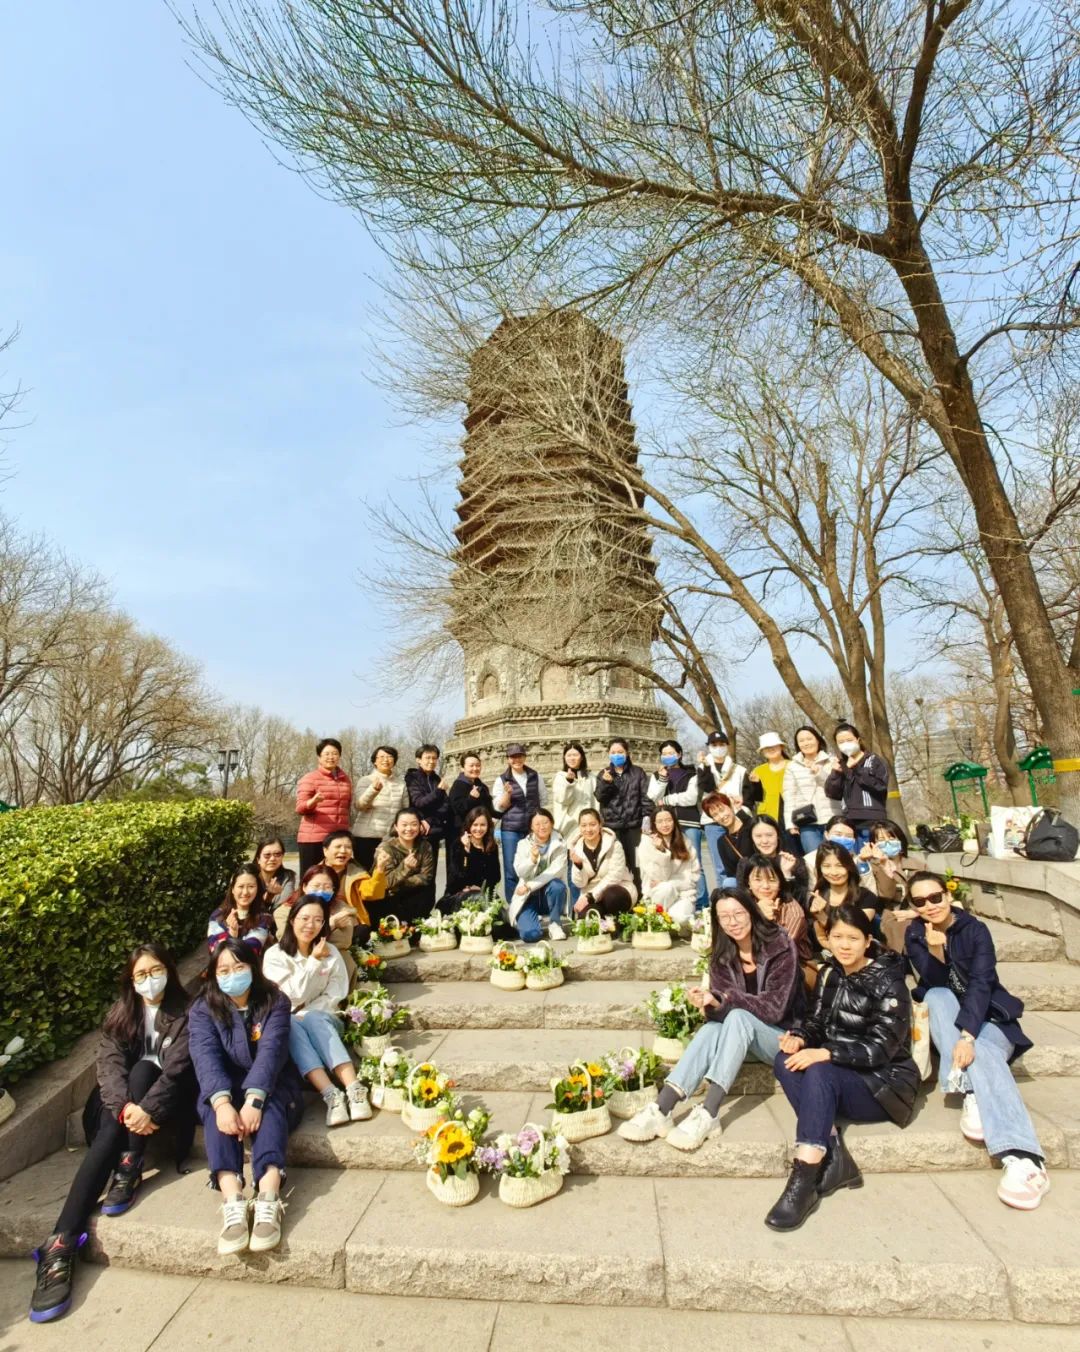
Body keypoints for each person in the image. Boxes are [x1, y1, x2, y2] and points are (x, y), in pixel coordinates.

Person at [28, 944, 196, 1324]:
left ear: (169, 971)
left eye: (156, 971)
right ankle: (60, 1243)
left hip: (166, 1104)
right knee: (115, 1115)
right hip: (118, 1107)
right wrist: (125, 1109)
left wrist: (148, 1109)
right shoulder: (121, 1014)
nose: (149, 980)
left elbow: (179, 1070)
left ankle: (124, 1169)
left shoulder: (189, 1012)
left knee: (144, 1071)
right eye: (141, 975)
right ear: (130, 981)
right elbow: (109, 1067)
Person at [765, 904, 919, 1230]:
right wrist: (799, 1037)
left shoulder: (890, 983)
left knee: (819, 1068)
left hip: (883, 1084)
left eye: (853, 938)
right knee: (785, 1061)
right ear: (828, 939)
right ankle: (834, 1151)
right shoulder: (829, 973)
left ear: (867, 941)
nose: (844, 945)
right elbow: (816, 1022)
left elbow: (881, 1049)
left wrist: (826, 1053)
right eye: (837, 937)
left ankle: (804, 1177)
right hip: (841, 1074)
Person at [905, 872, 1050, 1210]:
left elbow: (981, 985)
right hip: (950, 1019)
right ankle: (969, 1087)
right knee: (936, 995)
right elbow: (936, 981)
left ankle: (1025, 1157)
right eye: (920, 901)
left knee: (982, 1049)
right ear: (913, 905)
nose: (930, 905)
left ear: (947, 895)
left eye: (935, 897)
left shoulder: (975, 930)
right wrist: (936, 949)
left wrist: (967, 1036)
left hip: (990, 1020)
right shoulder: (915, 934)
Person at [619, 888, 802, 1151]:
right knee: (711, 1029)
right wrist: (711, 1002)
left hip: (781, 1039)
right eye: (724, 916)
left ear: (752, 912)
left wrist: (725, 999)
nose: (733, 922)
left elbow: (775, 1008)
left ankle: (709, 1112)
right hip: (738, 1040)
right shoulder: (722, 954)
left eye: (739, 913)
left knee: (738, 1016)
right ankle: (662, 1108)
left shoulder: (780, 946)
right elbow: (720, 1011)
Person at [189, 940, 305, 1256]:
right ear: (214, 974)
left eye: (239, 967)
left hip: (273, 1082)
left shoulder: (274, 1001)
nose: (232, 975)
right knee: (215, 1114)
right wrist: (222, 1103)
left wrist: (254, 1099)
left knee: (270, 1106)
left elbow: (272, 1051)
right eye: (224, 970)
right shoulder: (202, 1008)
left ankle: (268, 1196)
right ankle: (233, 1200)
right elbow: (205, 1055)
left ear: (253, 967)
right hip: (225, 1084)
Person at [263, 896, 372, 1126]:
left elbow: (336, 993)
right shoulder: (275, 955)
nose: (310, 925)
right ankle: (332, 1095)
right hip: (293, 1023)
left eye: (317, 920)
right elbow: (291, 995)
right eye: (304, 918)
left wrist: (307, 1012)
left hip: (327, 1020)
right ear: (292, 920)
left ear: (324, 924)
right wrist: (312, 962)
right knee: (290, 1023)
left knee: (311, 1017)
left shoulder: (331, 952)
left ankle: (354, 1089)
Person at [743, 854, 817, 989]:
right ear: (748, 882)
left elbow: (780, 950)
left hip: (794, 966)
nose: (765, 886)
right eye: (758, 879)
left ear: (780, 883)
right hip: (754, 962)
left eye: (772, 880)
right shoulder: (743, 904)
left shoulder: (793, 911)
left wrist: (763, 919)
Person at [648, 740, 706, 911]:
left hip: (688, 821)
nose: (668, 756)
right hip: (665, 824)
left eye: (671, 753)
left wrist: (666, 799)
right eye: (664, 754)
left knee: (695, 864)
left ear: (679, 754)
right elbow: (653, 796)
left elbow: (691, 798)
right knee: (668, 862)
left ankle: (702, 904)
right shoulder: (657, 775)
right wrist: (662, 780)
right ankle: (675, 901)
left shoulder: (691, 773)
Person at [492, 742, 546, 899]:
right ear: (508, 759)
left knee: (535, 864)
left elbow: (543, 799)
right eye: (513, 757)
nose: (517, 760)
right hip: (511, 829)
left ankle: (533, 903)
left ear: (524, 757)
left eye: (520, 756)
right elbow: (499, 807)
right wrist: (507, 794)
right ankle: (513, 904)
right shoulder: (502, 780)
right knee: (511, 869)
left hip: (532, 829)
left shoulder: (535, 776)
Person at [594, 738, 650, 889]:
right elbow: (600, 797)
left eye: (620, 752)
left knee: (638, 864)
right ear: (608, 754)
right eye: (613, 752)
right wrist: (606, 783)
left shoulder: (638, 772)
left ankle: (641, 896)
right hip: (613, 827)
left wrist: (647, 817)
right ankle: (620, 897)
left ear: (627, 753)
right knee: (617, 865)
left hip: (634, 826)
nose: (617, 755)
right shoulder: (604, 773)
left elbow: (646, 797)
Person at [295, 737, 353, 877]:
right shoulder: (310, 778)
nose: (331, 757)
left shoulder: (345, 780)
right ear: (319, 757)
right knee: (311, 878)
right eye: (327, 754)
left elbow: (347, 807)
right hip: (314, 838)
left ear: (339, 756)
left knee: (335, 878)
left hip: (337, 839)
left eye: (335, 753)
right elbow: (300, 808)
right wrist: (313, 802)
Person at [637, 805, 702, 928]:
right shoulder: (646, 842)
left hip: (683, 895)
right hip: (659, 895)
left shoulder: (685, 841)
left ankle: (666, 922)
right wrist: (661, 851)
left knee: (678, 918)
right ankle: (654, 921)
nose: (665, 825)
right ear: (654, 824)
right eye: (660, 821)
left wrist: (671, 883)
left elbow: (692, 878)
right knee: (665, 889)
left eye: (668, 820)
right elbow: (657, 877)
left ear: (674, 821)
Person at [510, 808, 570, 941]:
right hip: (528, 897)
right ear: (531, 827)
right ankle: (531, 920)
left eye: (545, 822)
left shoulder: (560, 844)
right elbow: (520, 872)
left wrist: (529, 886)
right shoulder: (523, 844)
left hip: (547, 894)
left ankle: (555, 923)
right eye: (537, 824)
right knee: (531, 935)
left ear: (552, 823)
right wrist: (532, 860)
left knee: (557, 885)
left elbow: (554, 872)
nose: (542, 827)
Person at [823, 722, 890, 840]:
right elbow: (832, 793)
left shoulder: (874, 760)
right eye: (841, 742)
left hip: (872, 818)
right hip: (849, 820)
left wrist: (857, 769)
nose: (846, 744)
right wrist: (836, 773)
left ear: (858, 740)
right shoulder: (841, 764)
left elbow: (880, 786)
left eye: (849, 740)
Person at [566, 808, 637, 917]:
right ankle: (605, 922)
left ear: (600, 824)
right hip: (592, 894)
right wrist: (578, 865)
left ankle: (619, 921)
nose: (588, 829)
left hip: (618, 888)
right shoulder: (576, 848)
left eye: (592, 824)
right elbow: (580, 884)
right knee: (587, 916)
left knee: (613, 897)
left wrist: (591, 896)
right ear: (579, 827)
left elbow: (615, 876)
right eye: (584, 825)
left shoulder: (614, 844)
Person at [808, 841, 880, 949]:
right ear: (820, 869)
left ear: (849, 866)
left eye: (840, 865)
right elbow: (821, 937)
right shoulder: (816, 899)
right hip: (828, 952)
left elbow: (852, 931)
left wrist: (822, 916)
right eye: (826, 866)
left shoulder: (866, 897)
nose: (834, 872)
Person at [782, 726, 841, 857]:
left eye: (809, 739)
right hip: (807, 821)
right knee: (813, 858)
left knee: (837, 857)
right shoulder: (792, 766)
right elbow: (789, 795)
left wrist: (819, 772)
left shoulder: (832, 761)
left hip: (832, 817)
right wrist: (790, 823)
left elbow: (836, 787)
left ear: (818, 740)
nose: (806, 743)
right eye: (801, 741)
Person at [551, 742, 597, 903]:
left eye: (575, 755)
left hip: (589, 829)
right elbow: (562, 799)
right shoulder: (560, 777)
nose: (572, 758)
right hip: (570, 830)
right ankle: (575, 906)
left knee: (590, 868)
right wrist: (569, 782)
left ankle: (588, 904)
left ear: (582, 757)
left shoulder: (591, 778)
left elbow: (595, 802)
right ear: (564, 758)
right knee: (574, 868)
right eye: (569, 755)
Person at [374, 807, 436, 924]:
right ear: (396, 827)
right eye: (404, 825)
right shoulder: (386, 848)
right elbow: (385, 882)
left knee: (426, 892)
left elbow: (426, 877)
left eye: (414, 824)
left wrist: (399, 885)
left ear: (420, 826)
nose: (409, 828)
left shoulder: (425, 846)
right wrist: (405, 868)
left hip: (414, 895)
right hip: (390, 898)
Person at [862, 821, 915, 952]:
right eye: (881, 840)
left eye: (891, 838)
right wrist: (883, 865)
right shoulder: (871, 867)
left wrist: (915, 912)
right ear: (873, 844)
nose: (887, 842)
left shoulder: (916, 865)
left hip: (917, 911)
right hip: (888, 914)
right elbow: (886, 894)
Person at [352, 745, 408, 869]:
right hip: (366, 837)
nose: (386, 760)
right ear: (374, 761)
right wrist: (373, 790)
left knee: (387, 875)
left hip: (390, 838)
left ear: (394, 761)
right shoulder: (365, 780)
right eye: (381, 757)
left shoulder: (401, 784)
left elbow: (405, 811)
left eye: (389, 757)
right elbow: (359, 805)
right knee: (365, 874)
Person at [734, 815, 809, 906]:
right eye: (758, 836)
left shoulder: (795, 862)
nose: (764, 841)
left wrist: (786, 875)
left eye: (769, 835)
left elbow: (800, 901)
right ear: (752, 838)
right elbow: (744, 898)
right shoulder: (745, 864)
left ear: (777, 835)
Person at [442, 806, 502, 911]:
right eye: (475, 825)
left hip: (483, 893)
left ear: (488, 826)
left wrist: (481, 888)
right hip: (460, 894)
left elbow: (495, 876)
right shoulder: (458, 845)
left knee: (499, 913)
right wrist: (466, 851)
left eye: (483, 825)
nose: (478, 829)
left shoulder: (491, 846)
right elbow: (455, 878)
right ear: (469, 825)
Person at [405, 744, 451, 873]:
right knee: (418, 873)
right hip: (418, 832)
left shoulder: (437, 779)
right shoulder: (412, 778)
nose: (431, 761)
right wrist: (438, 791)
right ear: (418, 760)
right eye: (427, 758)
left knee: (431, 873)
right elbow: (418, 802)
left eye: (434, 758)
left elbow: (446, 805)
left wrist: (429, 820)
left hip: (434, 830)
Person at [208, 866, 271, 954]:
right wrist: (231, 934)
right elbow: (214, 950)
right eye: (241, 886)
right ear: (233, 889)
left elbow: (252, 950)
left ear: (258, 889)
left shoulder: (264, 917)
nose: (245, 892)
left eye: (251, 886)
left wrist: (232, 938)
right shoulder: (218, 915)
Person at [701, 792, 755, 888]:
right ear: (714, 820)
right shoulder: (722, 842)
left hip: (763, 877)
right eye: (715, 815)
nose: (721, 816)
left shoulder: (750, 828)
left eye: (722, 810)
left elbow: (755, 826)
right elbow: (731, 873)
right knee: (728, 882)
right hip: (745, 884)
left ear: (730, 806)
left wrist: (739, 810)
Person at [743, 732, 790, 825]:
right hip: (768, 818)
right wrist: (756, 784)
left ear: (781, 747)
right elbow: (756, 798)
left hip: (792, 816)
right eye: (767, 748)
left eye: (774, 746)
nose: (771, 749)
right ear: (762, 751)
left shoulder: (793, 765)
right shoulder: (758, 771)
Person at [447, 751, 495, 833]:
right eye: (471, 766)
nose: (475, 768)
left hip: (482, 832)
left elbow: (489, 810)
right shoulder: (458, 786)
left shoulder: (482, 787)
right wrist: (472, 799)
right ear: (462, 768)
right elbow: (458, 810)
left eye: (478, 765)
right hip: (464, 832)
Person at [696, 730, 747, 803]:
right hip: (713, 808)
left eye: (722, 745)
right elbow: (707, 788)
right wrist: (706, 766)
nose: (718, 748)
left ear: (727, 746)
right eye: (714, 745)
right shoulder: (702, 768)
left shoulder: (740, 770)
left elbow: (748, 796)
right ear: (709, 747)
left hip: (736, 808)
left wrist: (744, 808)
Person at [252, 837, 297, 910]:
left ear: (282, 856)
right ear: (258, 859)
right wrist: (268, 898)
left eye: (277, 854)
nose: (272, 858)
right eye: (267, 855)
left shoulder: (288, 877)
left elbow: (283, 905)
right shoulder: (249, 877)